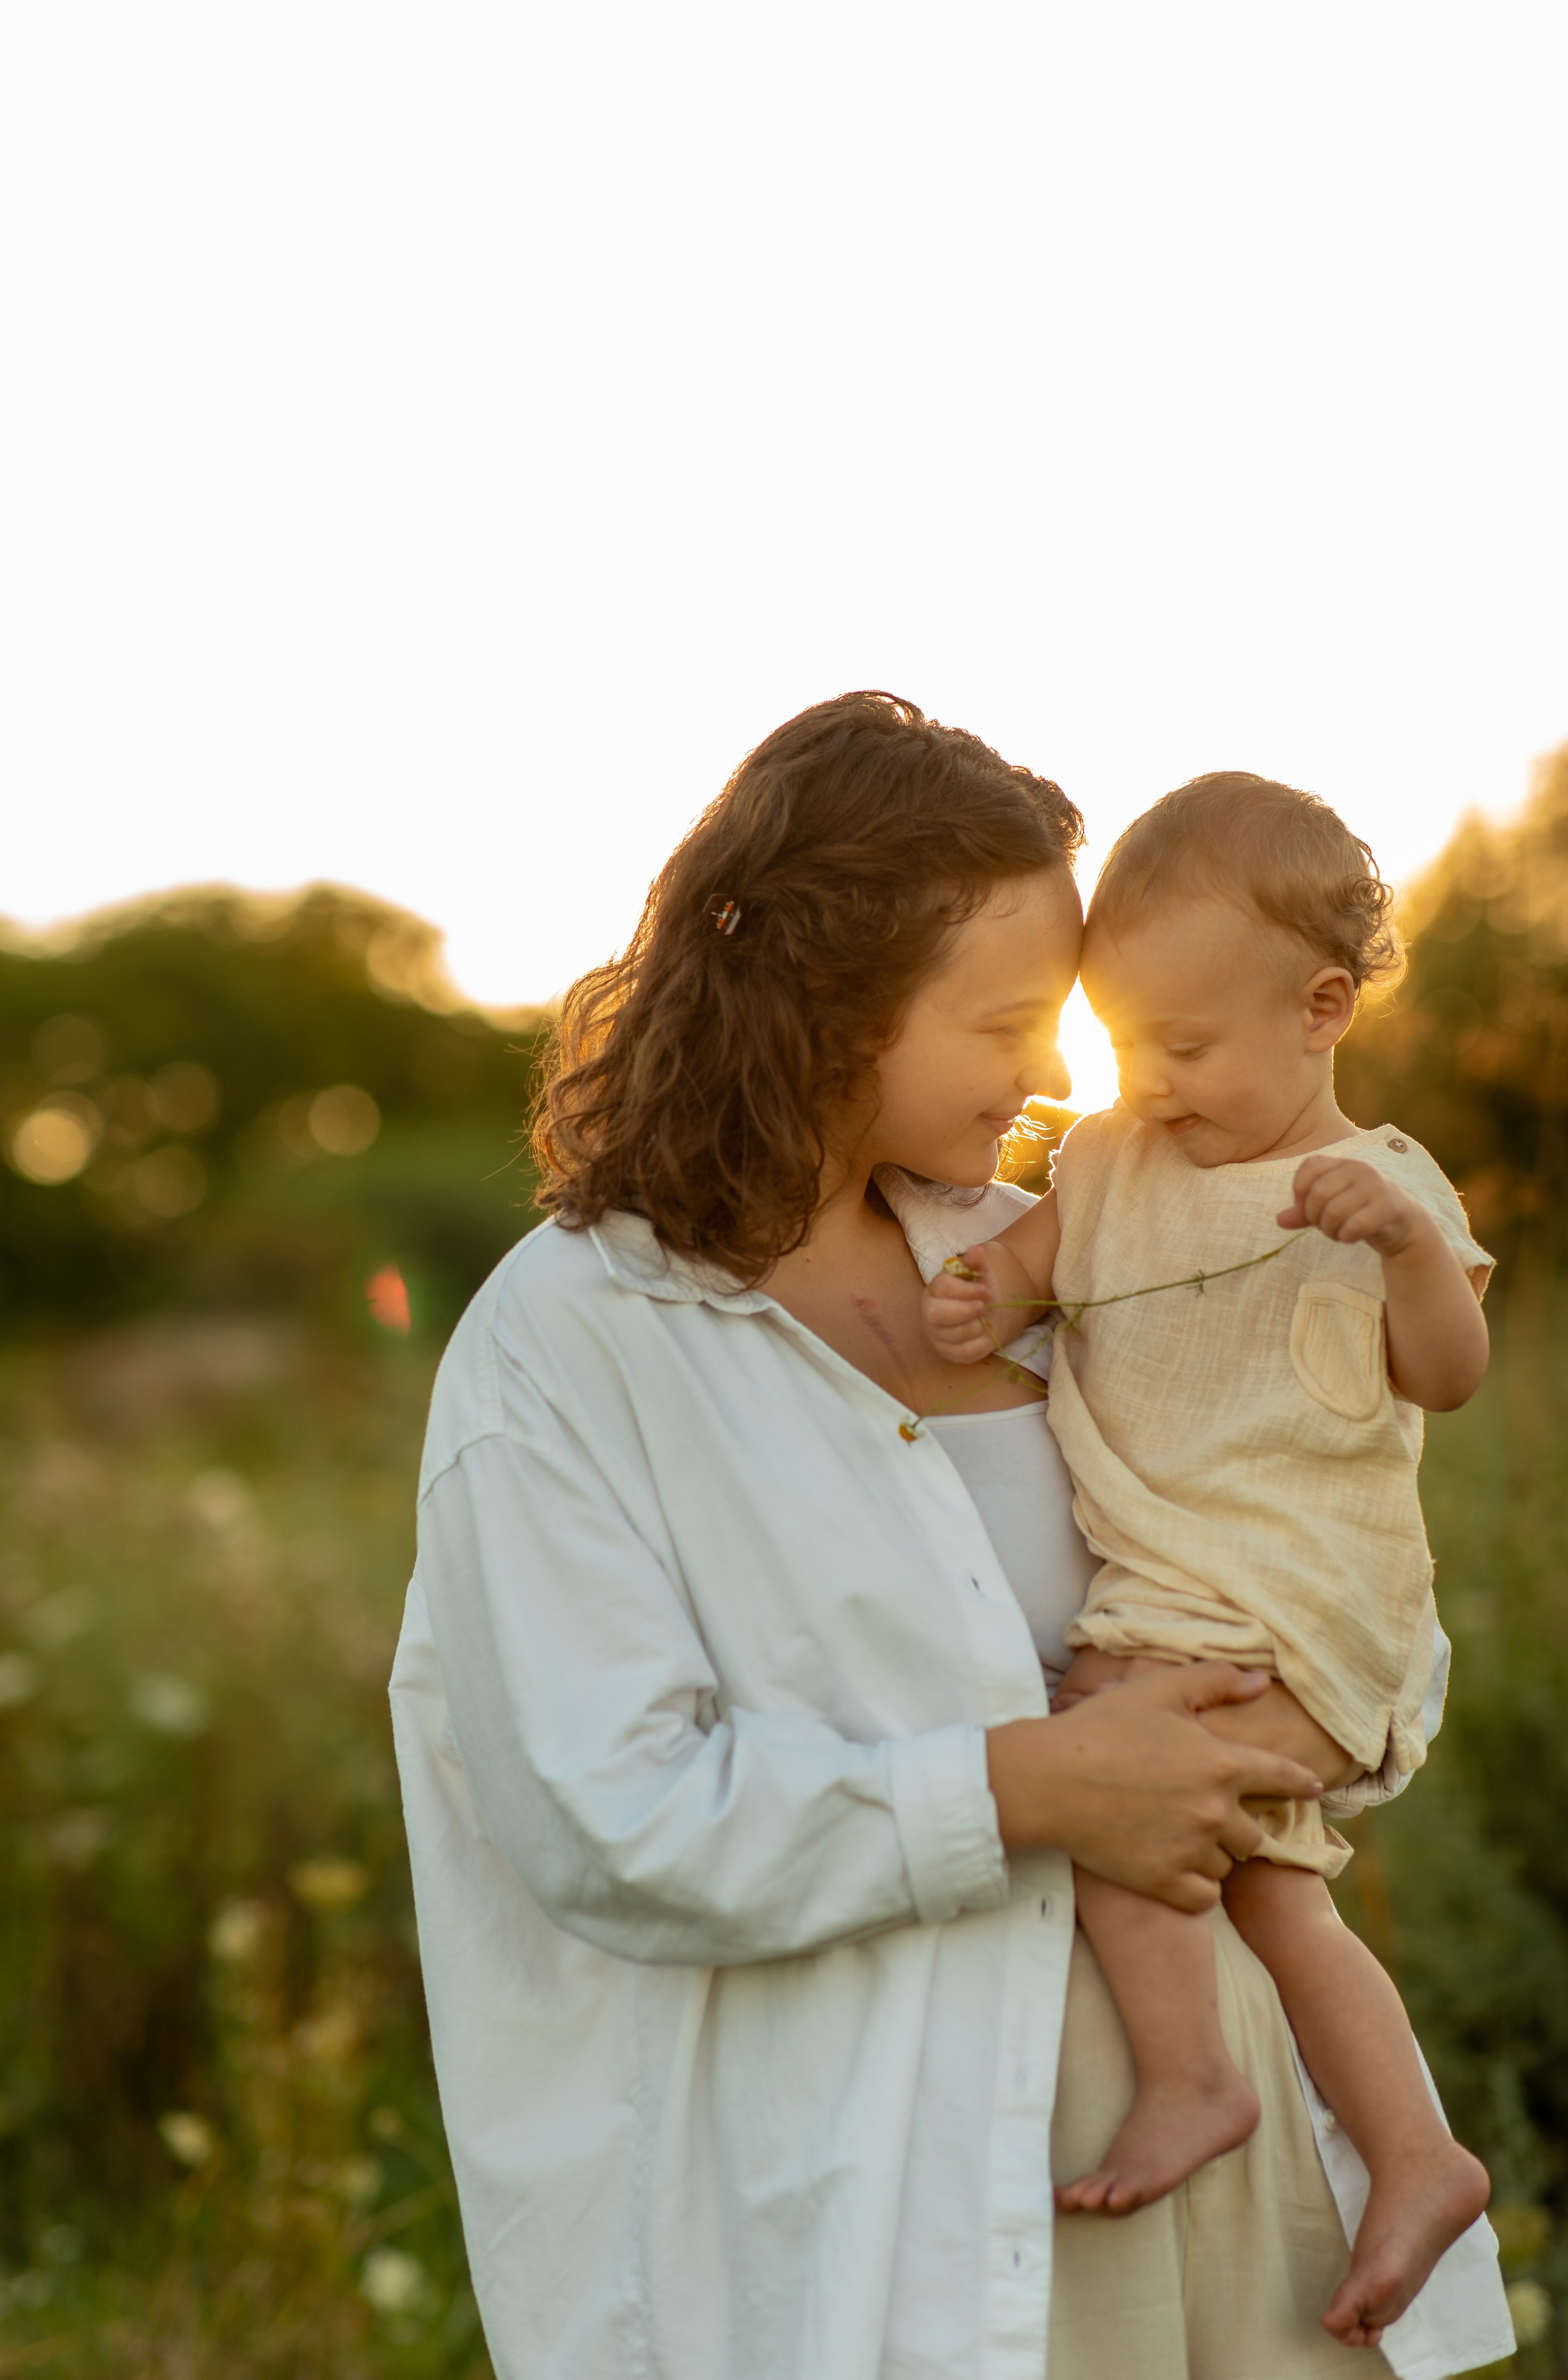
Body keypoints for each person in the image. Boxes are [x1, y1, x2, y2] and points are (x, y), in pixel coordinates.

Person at [390, 698, 1512, 2379]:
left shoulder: (1084, 1244)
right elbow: (600, 1817)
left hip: (1237, 2153)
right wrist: (1030, 1786)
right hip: (885, 2223)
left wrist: (1302, 1724)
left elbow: (1342, 1532)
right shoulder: (577, 1342)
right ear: (830, 1013)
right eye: (1006, 1020)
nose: (1059, 1071)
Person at [921, 775, 1494, 2347]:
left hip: (1302, 1616)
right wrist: (989, 1294)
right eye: (1123, 1044)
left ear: (1319, 1011)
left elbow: (1444, 1373)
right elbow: (1035, 1261)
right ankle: (1416, 2154)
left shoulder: (1381, 1190)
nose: (1147, 1083)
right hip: (1167, 1604)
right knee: (1270, 1895)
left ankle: (1191, 2082)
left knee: (1113, 1771)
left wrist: (1397, 1246)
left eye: (1182, 1048)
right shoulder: (1115, 1158)